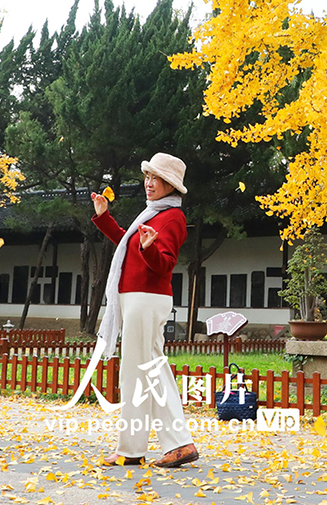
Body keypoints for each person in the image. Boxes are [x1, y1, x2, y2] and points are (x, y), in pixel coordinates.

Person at [91, 152, 199, 468]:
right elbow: (128, 243)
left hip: (146, 297)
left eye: (156, 178)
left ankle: (159, 445)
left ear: (171, 185)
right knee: (143, 372)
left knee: (144, 373)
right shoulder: (152, 214)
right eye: (147, 177)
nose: (149, 184)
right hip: (136, 297)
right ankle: (146, 447)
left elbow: (164, 263)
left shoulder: (172, 218)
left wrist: (149, 248)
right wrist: (104, 217)